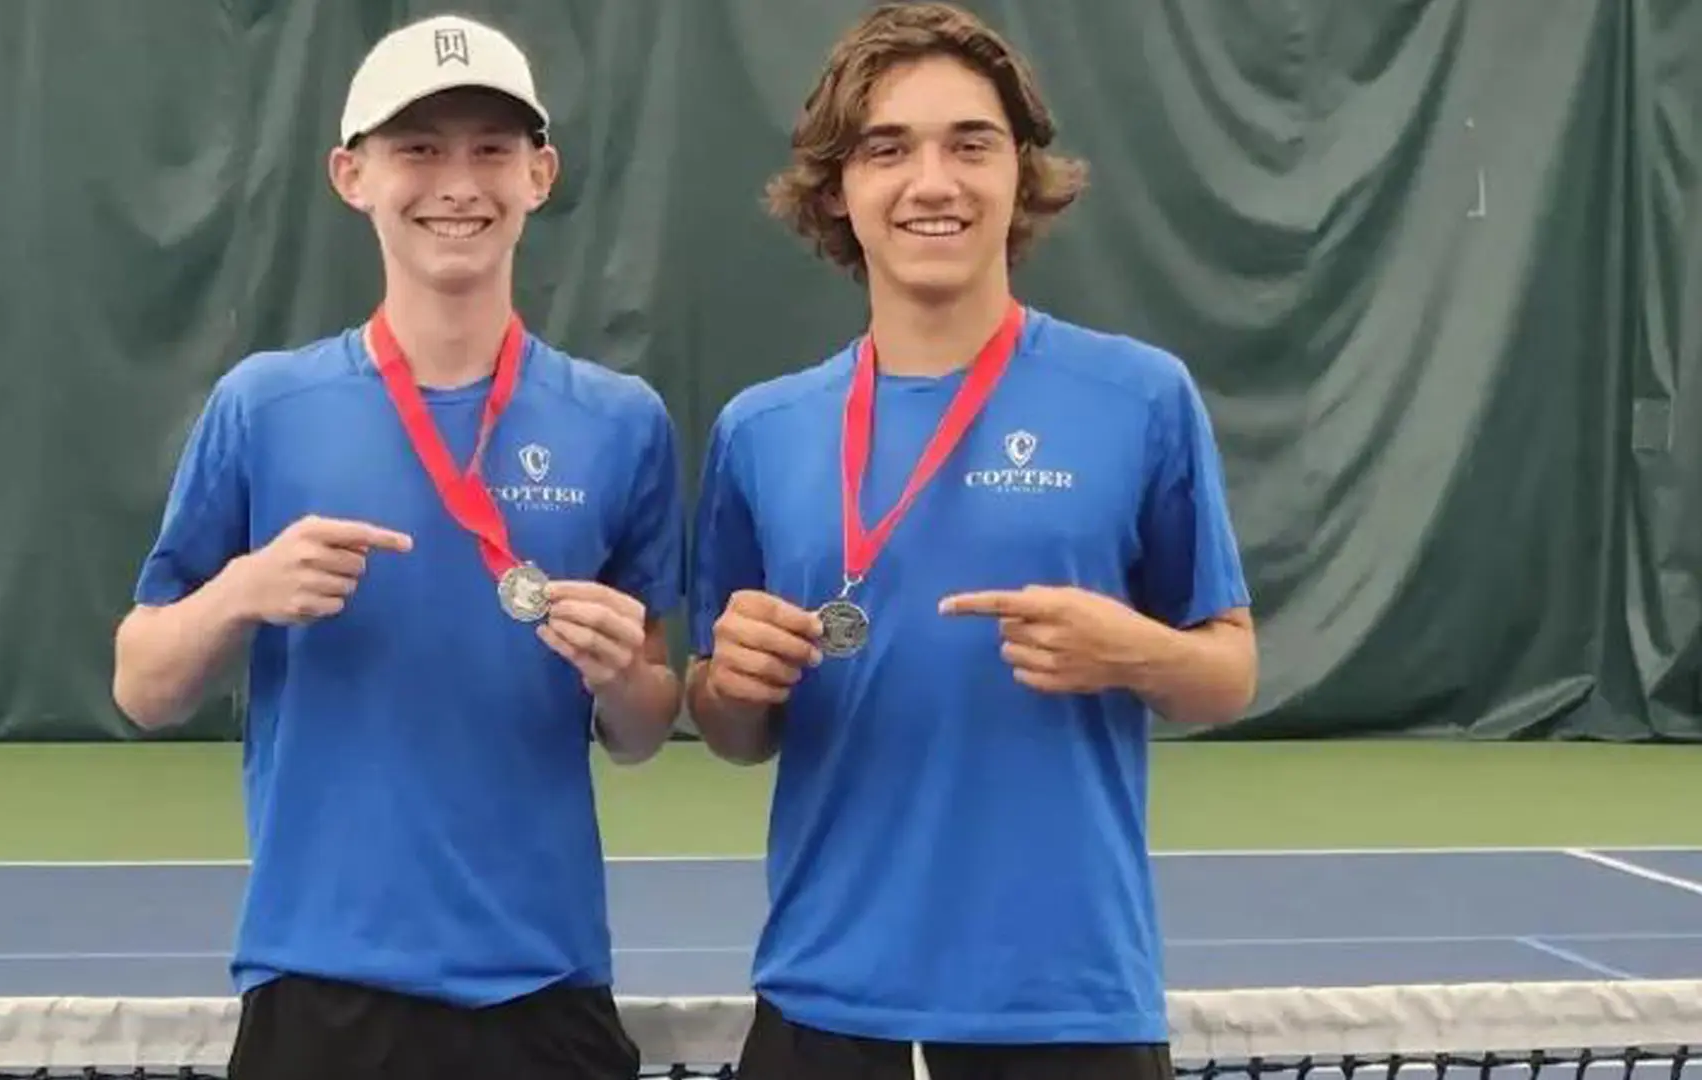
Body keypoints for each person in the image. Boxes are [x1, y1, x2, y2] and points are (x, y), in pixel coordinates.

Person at [686, 3, 1258, 1078]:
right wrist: (735, 685)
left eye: (970, 144)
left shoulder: (1139, 398)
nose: (933, 182)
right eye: (887, 148)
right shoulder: (759, 431)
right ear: (837, 188)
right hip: (821, 1008)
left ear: (1021, 174)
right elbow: (728, 724)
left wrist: (1131, 650)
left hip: (1068, 1013)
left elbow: (1226, 671)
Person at [110, 14, 684, 1080]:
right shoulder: (263, 407)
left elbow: (645, 728)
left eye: (490, 150)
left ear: (540, 173)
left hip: (544, 990)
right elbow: (144, 685)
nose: (455, 183)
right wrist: (242, 589)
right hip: (317, 992)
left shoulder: (622, 422)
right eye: (418, 149)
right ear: (352, 175)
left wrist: (622, 676)